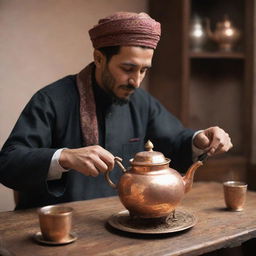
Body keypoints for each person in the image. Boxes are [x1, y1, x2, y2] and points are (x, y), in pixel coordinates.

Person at [0, 12, 232, 210]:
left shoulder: (141, 101)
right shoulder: (51, 99)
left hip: (120, 220)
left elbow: (175, 140)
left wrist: (199, 141)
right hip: (60, 227)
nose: (136, 81)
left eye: (144, 70)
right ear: (99, 58)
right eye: (128, 68)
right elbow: (8, 163)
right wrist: (65, 157)